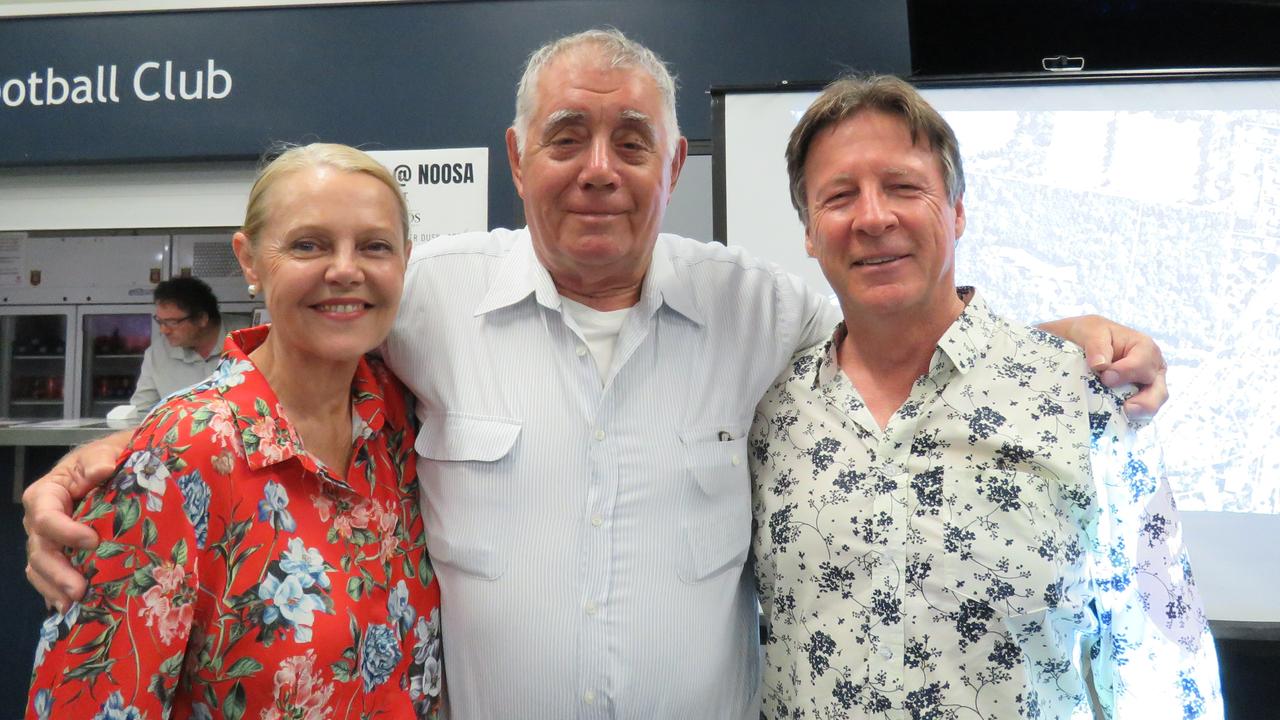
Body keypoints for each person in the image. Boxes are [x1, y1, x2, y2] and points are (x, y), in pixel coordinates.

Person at [24, 30, 1168, 718]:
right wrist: (117, 455)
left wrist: (1054, 339)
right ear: (517, 158)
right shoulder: (422, 303)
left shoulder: (758, 310)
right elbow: (285, 382)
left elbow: (899, 318)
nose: (599, 172)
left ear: (673, 163)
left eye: (632, 143)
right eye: (566, 137)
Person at [750, 75, 1221, 719]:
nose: (873, 216)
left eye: (902, 186)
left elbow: (1157, 644)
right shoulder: (773, 415)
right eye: (838, 197)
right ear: (810, 232)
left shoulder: (1080, 396)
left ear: (959, 209)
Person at [26, 144, 441, 719]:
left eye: (374, 246)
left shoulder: (399, 416)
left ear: (404, 260)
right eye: (308, 244)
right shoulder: (180, 453)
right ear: (249, 261)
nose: (346, 269)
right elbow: (93, 701)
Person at [129, 276, 240, 415]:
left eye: (172, 322)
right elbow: (141, 413)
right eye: (160, 321)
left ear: (201, 318)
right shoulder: (156, 355)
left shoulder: (249, 339)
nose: (164, 330)